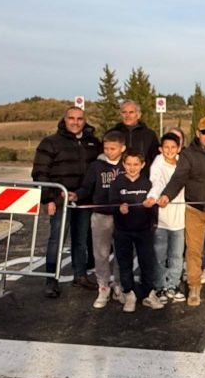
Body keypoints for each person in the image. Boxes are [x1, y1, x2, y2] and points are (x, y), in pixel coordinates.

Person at [159, 116, 205, 306]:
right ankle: (194, 287)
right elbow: (178, 178)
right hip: (194, 210)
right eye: (204, 132)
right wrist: (167, 195)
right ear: (198, 133)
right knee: (193, 251)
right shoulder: (188, 154)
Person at [32, 106, 102, 297]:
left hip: (83, 201)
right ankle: (51, 279)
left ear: (84, 121)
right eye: (71, 118)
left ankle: (80, 275)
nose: (75, 122)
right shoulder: (50, 143)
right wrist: (48, 199)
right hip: (60, 200)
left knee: (81, 240)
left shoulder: (93, 143)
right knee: (56, 240)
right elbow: (40, 172)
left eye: (79, 119)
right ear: (65, 120)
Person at [71, 130, 126, 308]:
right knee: (100, 254)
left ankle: (118, 285)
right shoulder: (96, 166)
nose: (109, 151)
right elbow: (87, 188)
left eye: (113, 148)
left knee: (121, 253)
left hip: (122, 217)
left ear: (122, 148)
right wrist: (76, 195)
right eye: (106, 148)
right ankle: (103, 287)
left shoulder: (128, 165)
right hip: (101, 216)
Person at [109, 151, 163, 312]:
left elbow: (154, 206)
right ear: (123, 165)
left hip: (144, 230)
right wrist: (119, 208)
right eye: (128, 164)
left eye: (136, 164)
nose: (132, 168)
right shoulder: (117, 183)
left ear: (142, 165)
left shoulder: (147, 183)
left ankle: (148, 293)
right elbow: (111, 203)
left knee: (147, 262)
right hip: (122, 230)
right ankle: (129, 293)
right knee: (124, 263)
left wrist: (153, 222)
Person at [144, 132, 186, 303]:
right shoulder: (157, 163)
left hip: (179, 218)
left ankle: (173, 285)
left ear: (179, 148)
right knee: (159, 255)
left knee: (176, 255)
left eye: (173, 147)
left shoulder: (183, 163)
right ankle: (160, 286)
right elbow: (157, 182)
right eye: (166, 147)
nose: (169, 151)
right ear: (161, 149)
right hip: (161, 219)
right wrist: (153, 197)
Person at [111, 100, 159, 165]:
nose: (127, 115)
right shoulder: (112, 134)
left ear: (138, 115)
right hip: (117, 171)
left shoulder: (149, 135)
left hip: (143, 171)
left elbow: (155, 159)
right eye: (124, 112)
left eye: (131, 112)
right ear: (120, 115)